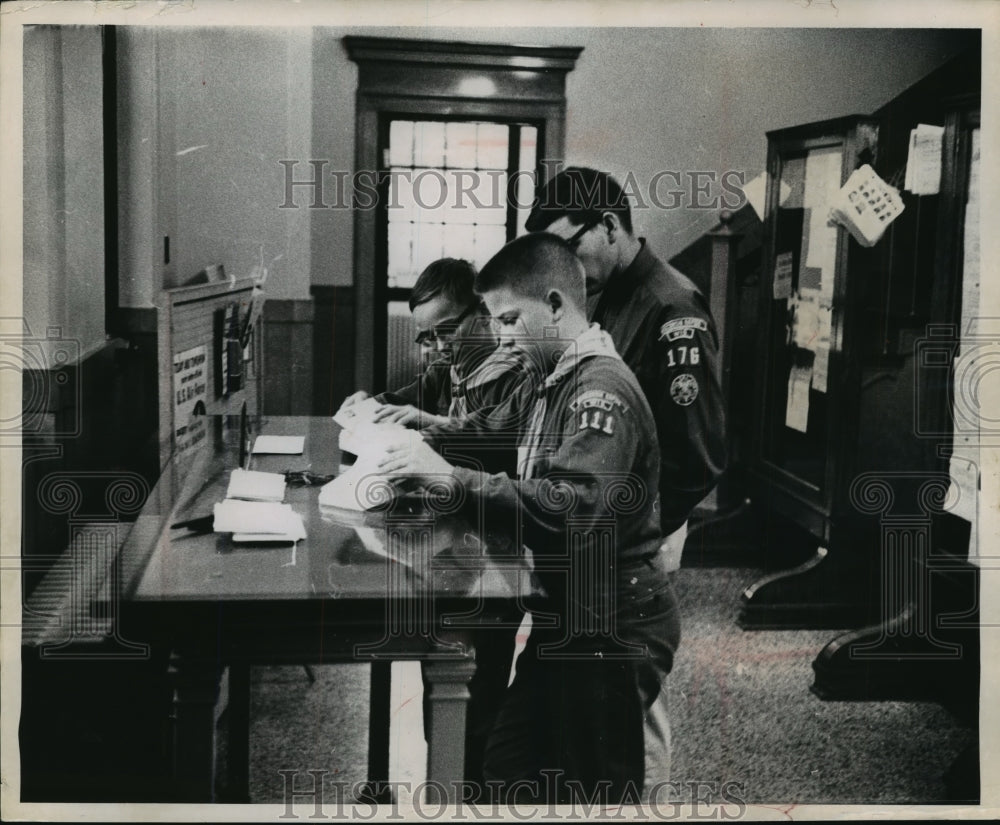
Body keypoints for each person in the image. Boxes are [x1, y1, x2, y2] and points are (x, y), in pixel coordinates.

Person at [378, 233, 680, 804]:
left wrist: (450, 479)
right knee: (507, 764)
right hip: (566, 613)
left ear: (558, 305)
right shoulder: (551, 376)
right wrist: (420, 435)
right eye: (494, 321)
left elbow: (570, 510)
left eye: (511, 319)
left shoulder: (599, 391)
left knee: (596, 791)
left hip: (612, 620)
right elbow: (491, 437)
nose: (500, 336)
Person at [525, 166, 726, 792]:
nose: (568, 267)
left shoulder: (672, 308)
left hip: (639, 530)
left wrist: (636, 533)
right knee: (602, 697)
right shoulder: (609, 289)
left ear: (610, 225)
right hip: (600, 525)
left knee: (633, 701)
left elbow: (700, 453)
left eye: (572, 247)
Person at [338, 257, 521, 430]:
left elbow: (494, 437)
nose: (440, 348)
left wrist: (433, 422)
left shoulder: (515, 377)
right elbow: (398, 402)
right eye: (429, 337)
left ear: (484, 311)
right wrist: (368, 405)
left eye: (447, 330)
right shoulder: (441, 373)